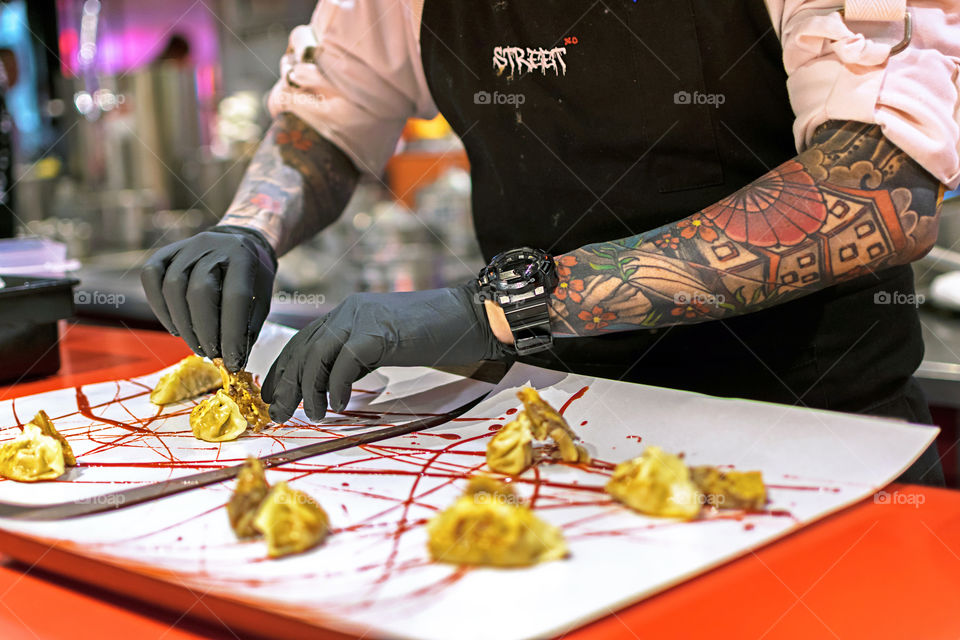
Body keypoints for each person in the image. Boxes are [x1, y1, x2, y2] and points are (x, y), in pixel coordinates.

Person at [142, 0, 960, 486]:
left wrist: (501, 308)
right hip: (558, 441)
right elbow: (327, 115)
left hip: (813, 438)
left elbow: (874, 190)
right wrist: (248, 225)